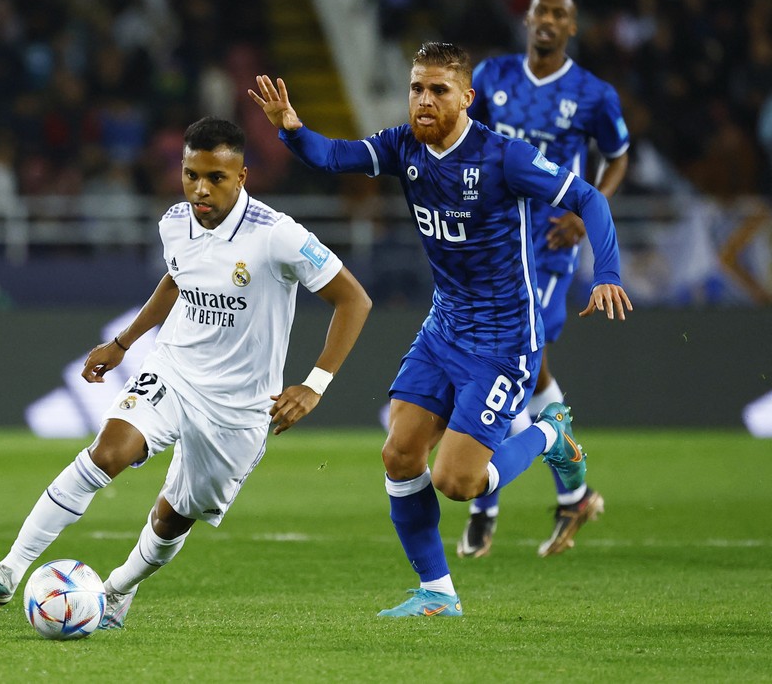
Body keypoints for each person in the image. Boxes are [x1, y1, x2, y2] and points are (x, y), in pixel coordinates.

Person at [249, 41, 631, 617]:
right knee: (400, 455)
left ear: (466, 98)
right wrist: (292, 128)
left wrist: (606, 271)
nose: (423, 101)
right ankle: (438, 593)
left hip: (503, 341)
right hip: (444, 326)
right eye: (416, 89)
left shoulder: (505, 157)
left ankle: (553, 435)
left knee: (458, 481)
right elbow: (332, 158)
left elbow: (588, 197)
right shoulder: (403, 146)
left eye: (438, 90)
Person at [0, 117, 371, 628]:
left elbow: (353, 298)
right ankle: (9, 570)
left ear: (242, 177)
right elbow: (177, 279)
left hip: (239, 407)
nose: (201, 188)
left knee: (173, 517)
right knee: (108, 452)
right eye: (192, 174)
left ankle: (118, 590)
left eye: (216, 177)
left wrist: (314, 384)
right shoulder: (174, 222)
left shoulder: (276, 235)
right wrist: (125, 342)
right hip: (174, 369)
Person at [460, 0, 630, 558]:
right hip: (490, 241)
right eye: (540, 12)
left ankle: (487, 501)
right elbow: (464, 140)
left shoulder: (592, 94)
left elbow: (619, 154)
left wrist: (585, 217)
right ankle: (574, 494)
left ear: (572, 27)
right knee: (524, 373)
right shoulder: (491, 78)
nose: (548, 21)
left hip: (549, 247)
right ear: (527, 20)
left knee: (514, 363)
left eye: (560, 14)